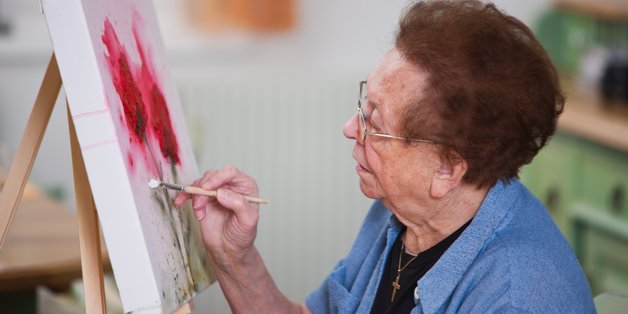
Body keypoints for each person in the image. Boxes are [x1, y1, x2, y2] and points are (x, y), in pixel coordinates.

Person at [175, 0, 596, 312]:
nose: (349, 128)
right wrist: (234, 256)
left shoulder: (514, 297)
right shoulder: (402, 213)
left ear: (447, 168)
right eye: (364, 104)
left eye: (374, 122)